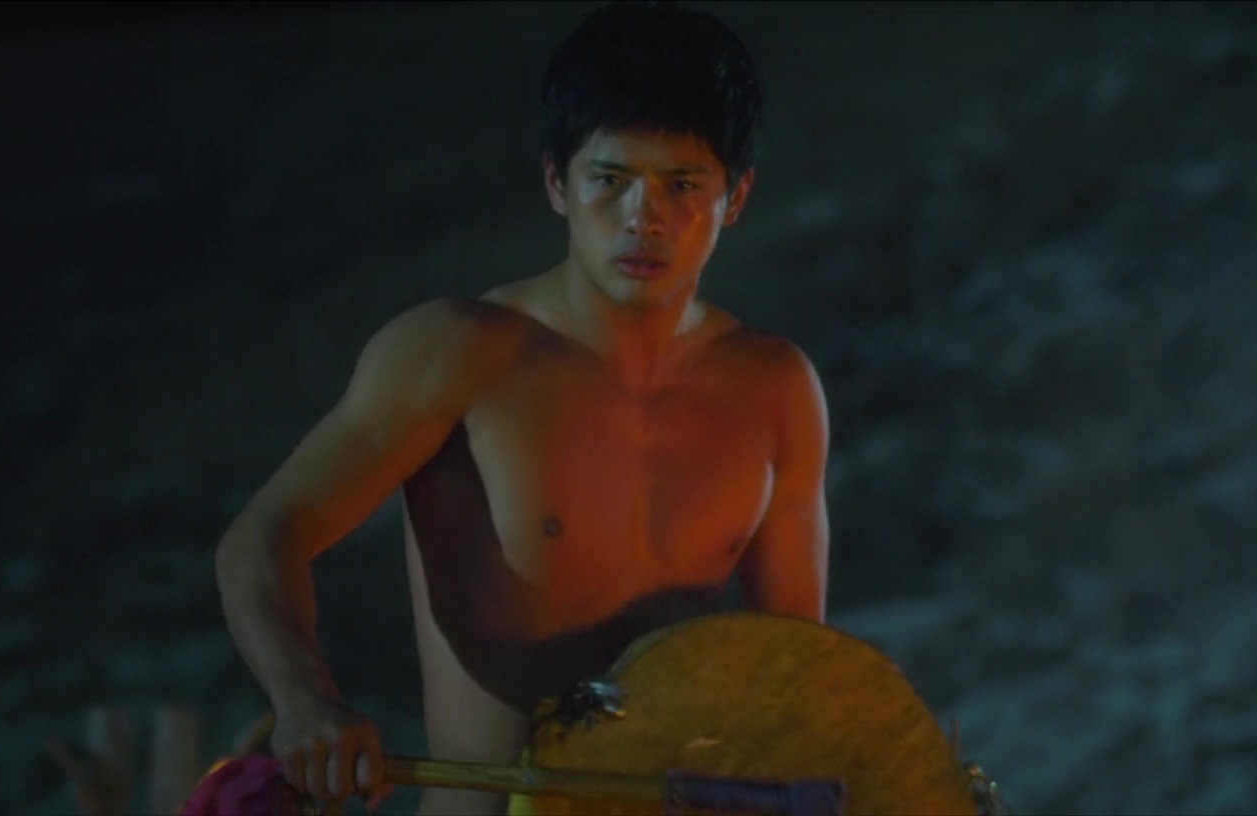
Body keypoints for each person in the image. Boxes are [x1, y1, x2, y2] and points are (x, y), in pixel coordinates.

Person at [213, 3, 830, 813]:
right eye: (610, 180)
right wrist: (305, 700)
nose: (644, 219)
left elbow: (800, 671)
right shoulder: (460, 353)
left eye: (682, 185)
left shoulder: (775, 387)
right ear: (556, 183)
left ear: (736, 195)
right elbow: (264, 535)